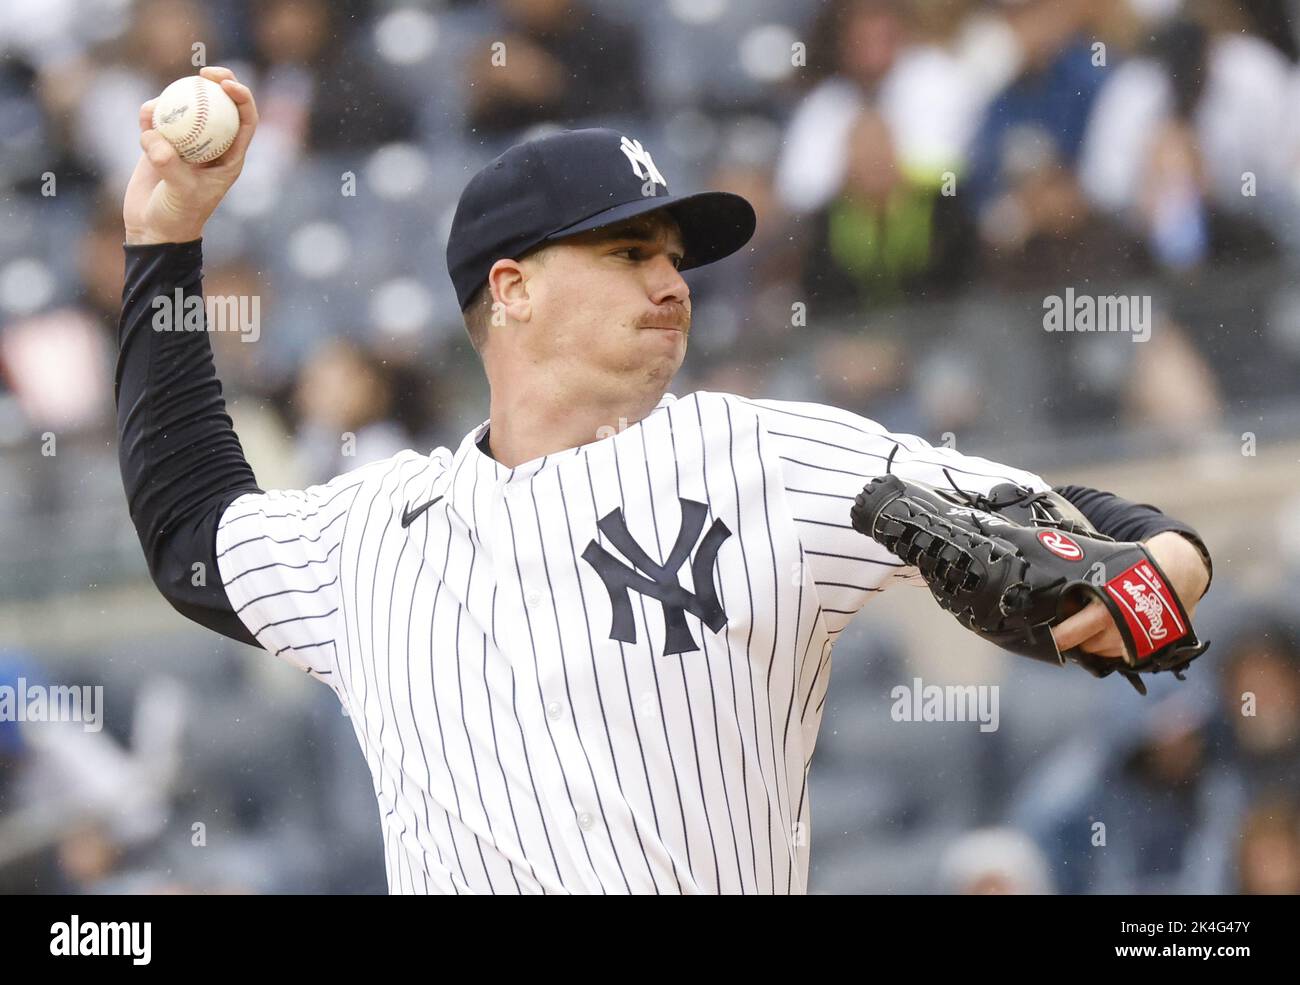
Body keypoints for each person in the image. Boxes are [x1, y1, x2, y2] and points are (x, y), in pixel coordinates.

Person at [117, 67, 1212, 894]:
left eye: (674, 257)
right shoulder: (370, 530)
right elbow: (193, 532)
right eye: (627, 252)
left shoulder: (767, 457)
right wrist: (165, 242)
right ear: (513, 290)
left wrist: (1151, 585)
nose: (670, 281)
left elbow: (1122, 533)